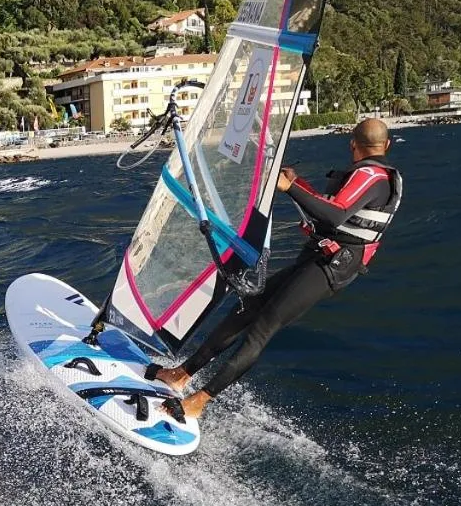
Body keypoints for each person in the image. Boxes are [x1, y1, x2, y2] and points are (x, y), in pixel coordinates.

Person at [152, 117, 403, 420]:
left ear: (353, 145)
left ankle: (199, 401)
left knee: (261, 329)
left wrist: (290, 188)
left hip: (329, 268)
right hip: (319, 258)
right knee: (247, 309)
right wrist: (298, 183)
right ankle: (181, 373)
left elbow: (334, 216)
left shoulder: (370, 175)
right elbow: (332, 209)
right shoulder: (376, 176)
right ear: (386, 145)